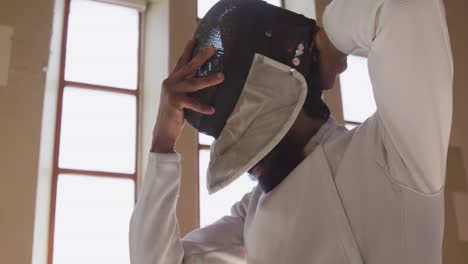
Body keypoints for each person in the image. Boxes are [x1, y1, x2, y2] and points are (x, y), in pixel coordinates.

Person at [129, 0, 453, 263]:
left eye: (246, 127)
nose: (249, 164)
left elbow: (407, 7)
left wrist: (327, 41)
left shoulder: (393, 152)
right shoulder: (251, 213)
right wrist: (162, 141)